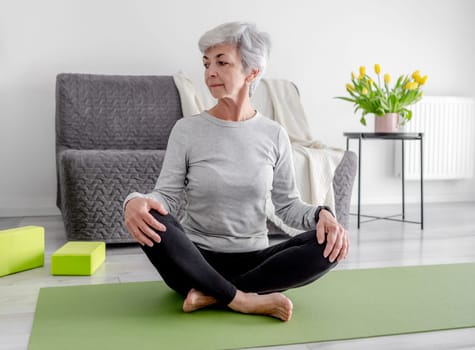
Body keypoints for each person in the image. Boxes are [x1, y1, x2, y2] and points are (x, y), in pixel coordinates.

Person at [123, 22, 349, 322]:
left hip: (254, 261)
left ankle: (214, 294)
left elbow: (287, 206)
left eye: (222, 62)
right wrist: (134, 201)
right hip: (194, 260)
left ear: (252, 72)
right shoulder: (187, 130)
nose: (209, 72)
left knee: (329, 245)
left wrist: (323, 215)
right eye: (206, 64)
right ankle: (243, 299)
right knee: (150, 216)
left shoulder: (274, 134)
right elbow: (165, 196)